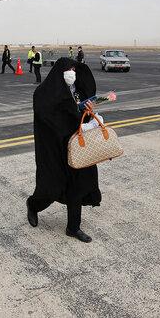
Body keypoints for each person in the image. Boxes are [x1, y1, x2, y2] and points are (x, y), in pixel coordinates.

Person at [26, 58, 104, 243]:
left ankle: (73, 227)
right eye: (68, 70)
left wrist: (89, 113)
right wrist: (73, 118)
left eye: (74, 70)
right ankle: (33, 204)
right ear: (59, 72)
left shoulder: (76, 91)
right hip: (55, 148)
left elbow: (79, 115)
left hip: (75, 147)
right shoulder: (44, 93)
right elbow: (49, 119)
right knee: (51, 187)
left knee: (78, 185)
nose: (72, 73)